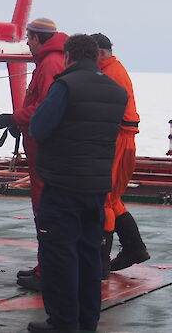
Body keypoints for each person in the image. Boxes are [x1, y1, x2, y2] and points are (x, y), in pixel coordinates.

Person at [27, 34, 127, 333]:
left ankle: (63, 322)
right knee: (88, 254)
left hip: (62, 185)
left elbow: (39, 127)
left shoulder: (65, 86)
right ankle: (87, 321)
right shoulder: (116, 91)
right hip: (96, 187)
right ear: (96, 57)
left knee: (60, 256)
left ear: (69, 56)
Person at [0, 17, 68, 291]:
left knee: (46, 212)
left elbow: (45, 109)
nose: (26, 44)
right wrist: (19, 121)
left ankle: (48, 271)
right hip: (40, 148)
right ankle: (45, 267)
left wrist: (14, 118)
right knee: (46, 211)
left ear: (36, 39)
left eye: (29, 39)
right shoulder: (52, 62)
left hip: (43, 152)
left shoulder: (49, 65)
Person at [91, 33, 150, 276]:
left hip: (117, 140)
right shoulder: (113, 70)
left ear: (100, 53)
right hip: (123, 140)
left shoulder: (109, 74)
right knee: (113, 199)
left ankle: (100, 263)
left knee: (104, 199)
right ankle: (134, 249)